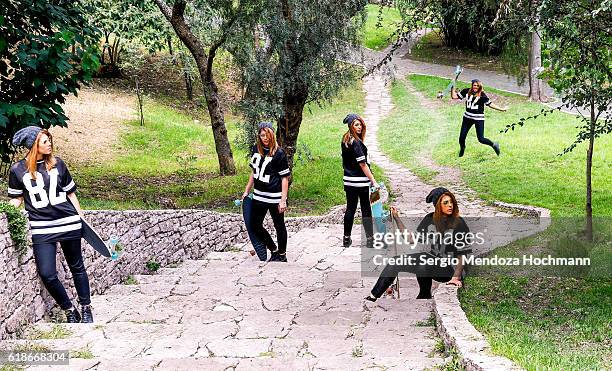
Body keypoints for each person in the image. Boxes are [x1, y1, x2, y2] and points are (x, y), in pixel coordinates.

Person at [8, 126, 93, 323]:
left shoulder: (58, 164)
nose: (49, 144)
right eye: (44, 141)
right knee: (47, 273)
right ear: (33, 145)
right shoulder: (17, 170)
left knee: (77, 267)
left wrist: (82, 219)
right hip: (42, 228)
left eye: (49, 140)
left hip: (68, 222)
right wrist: (7, 211)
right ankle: (69, 309)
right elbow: (17, 199)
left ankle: (86, 307)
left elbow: (71, 194)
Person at [366, 187, 471, 301]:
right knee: (395, 261)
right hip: (433, 261)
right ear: (437, 205)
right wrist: (397, 218)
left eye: (451, 202)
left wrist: (456, 277)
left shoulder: (459, 223)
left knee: (424, 262)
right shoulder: (430, 219)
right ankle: (373, 296)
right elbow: (411, 239)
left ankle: (424, 294)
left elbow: (463, 254)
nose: (450, 205)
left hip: (450, 268)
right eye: (445, 202)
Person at [242, 122, 291, 262]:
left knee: (279, 225)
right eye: (262, 135)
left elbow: (284, 179)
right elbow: (254, 172)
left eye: (267, 134)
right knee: (254, 225)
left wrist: (283, 200)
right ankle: (273, 249)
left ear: (272, 135)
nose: (265, 138)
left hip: (274, 197)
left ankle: (282, 255)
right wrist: (246, 190)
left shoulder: (279, 153)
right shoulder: (255, 150)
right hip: (258, 195)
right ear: (259, 136)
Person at [341, 113, 379, 248]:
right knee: (365, 209)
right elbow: (362, 164)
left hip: (348, 180)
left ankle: (346, 239)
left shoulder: (345, 140)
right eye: (356, 124)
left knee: (350, 208)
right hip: (360, 181)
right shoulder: (356, 143)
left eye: (361, 124)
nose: (360, 127)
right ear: (351, 126)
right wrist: (373, 180)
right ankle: (370, 239)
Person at [451, 79, 508, 157]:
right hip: (467, 117)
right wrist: (453, 86)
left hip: (478, 118)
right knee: (461, 138)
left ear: (480, 86)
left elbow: (490, 104)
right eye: (474, 85)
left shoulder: (482, 95)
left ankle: (494, 145)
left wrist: (501, 109)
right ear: (472, 85)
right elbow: (454, 97)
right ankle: (462, 148)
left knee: (481, 139)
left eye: (478, 86)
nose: (476, 87)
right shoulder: (466, 91)